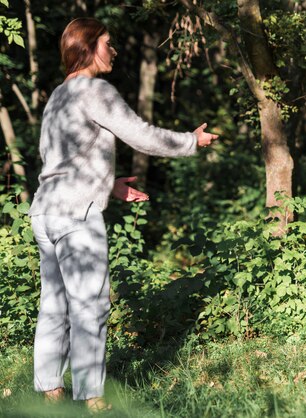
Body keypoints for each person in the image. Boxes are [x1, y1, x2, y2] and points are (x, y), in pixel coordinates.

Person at [28, 17, 218, 412]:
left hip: (46, 210)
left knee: (54, 303)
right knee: (89, 305)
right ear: (89, 47)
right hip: (76, 215)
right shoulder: (95, 90)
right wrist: (190, 141)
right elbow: (140, 134)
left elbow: (60, 159)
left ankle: (49, 392)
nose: (113, 51)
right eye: (108, 43)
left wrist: (109, 184)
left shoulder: (57, 97)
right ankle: (93, 398)